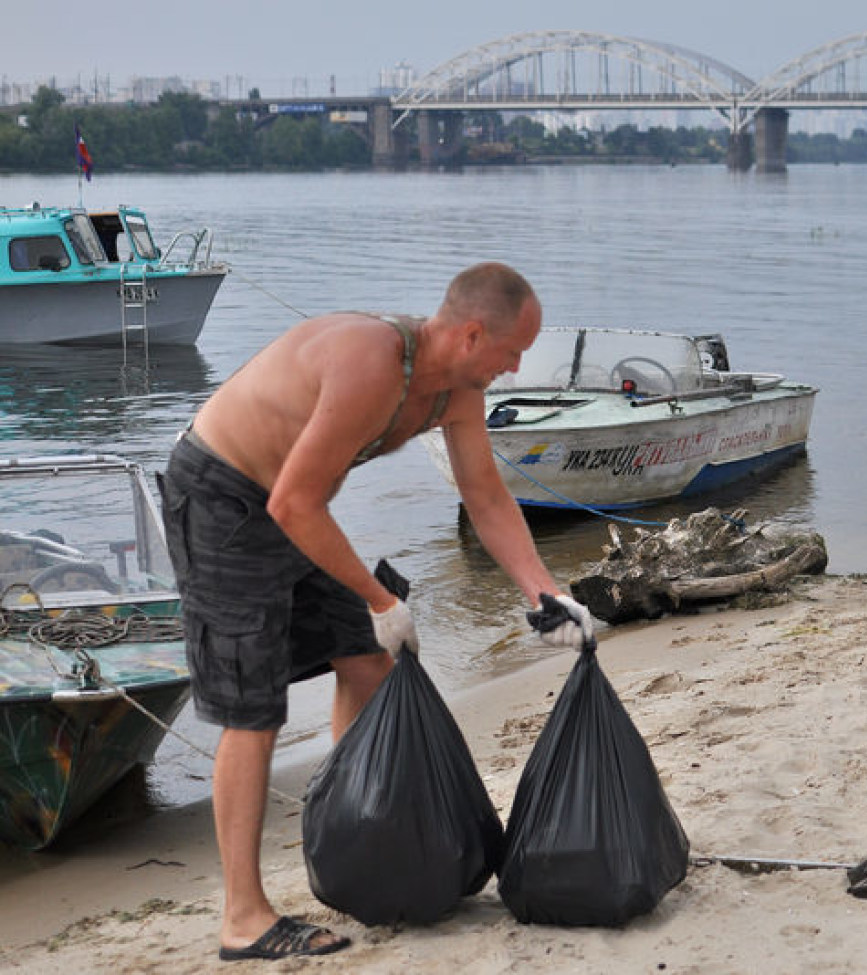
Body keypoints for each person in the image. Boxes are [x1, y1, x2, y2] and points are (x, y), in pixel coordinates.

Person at [158, 262, 594, 961]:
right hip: (223, 497)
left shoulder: (455, 391)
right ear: (473, 333)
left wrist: (543, 590)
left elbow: (485, 496)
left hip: (292, 503)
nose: (514, 369)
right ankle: (243, 916)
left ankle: (356, 833)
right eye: (512, 352)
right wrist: (380, 597)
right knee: (253, 704)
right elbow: (291, 502)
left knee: (366, 661)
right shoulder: (372, 361)